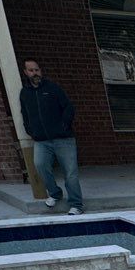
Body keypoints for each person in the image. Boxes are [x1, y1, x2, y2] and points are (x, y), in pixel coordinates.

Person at [18, 59, 82, 214]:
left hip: (63, 139)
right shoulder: (25, 93)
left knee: (70, 173)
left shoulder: (53, 88)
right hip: (41, 140)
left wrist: (64, 125)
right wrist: (31, 130)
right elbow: (25, 114)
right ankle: (55, 193)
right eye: (31, 71)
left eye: (37, 70)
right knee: (40, 165)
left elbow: (68, 107)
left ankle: (76, 205)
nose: (35, 73)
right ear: (26, 72)